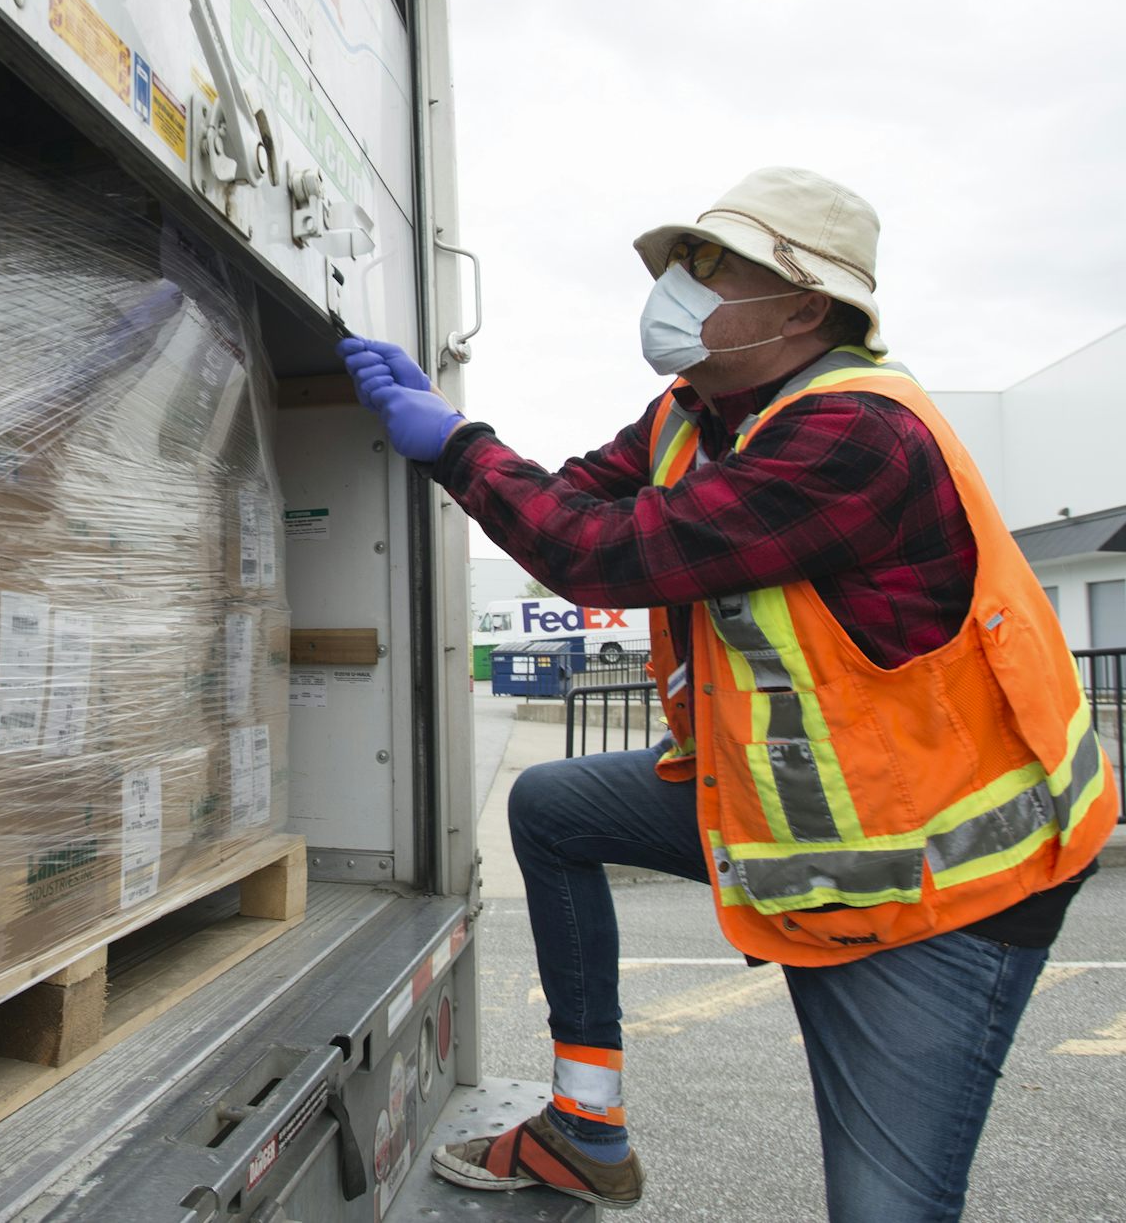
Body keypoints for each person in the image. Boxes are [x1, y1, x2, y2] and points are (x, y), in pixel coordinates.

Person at [340, 168, 1118, 1221]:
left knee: (886, 1206)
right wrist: (461, 443)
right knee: (553, 805)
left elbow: (597, 551)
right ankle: (585, 1125)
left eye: (708, 266)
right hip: (810, 831)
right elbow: (570, 498)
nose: (674, 286)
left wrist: (457, 443)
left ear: (805, 307)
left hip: (947, 883)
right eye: (676, 263)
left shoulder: (854, 436)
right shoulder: (694, 412)